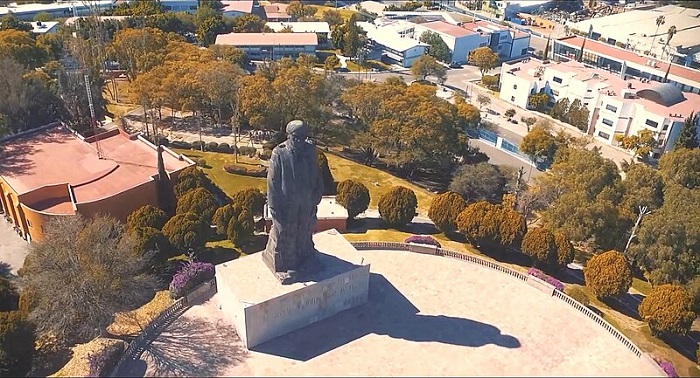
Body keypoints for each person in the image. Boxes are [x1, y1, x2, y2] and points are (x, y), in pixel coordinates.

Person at [262, 120, 324, 283]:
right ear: (288, 136)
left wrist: (317, 195)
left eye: (303, 137)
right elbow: (272, 183)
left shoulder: (310, 150)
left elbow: (317, 174)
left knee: (304, 231)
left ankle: (305, 259)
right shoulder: (279, 153)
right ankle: (286, 266)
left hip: (306, 202)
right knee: (285, 234)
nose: (300, 141)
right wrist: (274, 208)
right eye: (296, 137)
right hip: (287, 205)